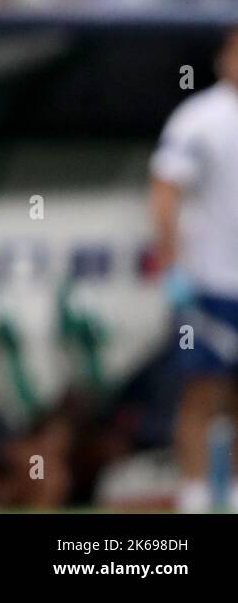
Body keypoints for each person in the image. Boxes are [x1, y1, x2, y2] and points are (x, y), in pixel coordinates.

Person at [149, 29, 238, 512]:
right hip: (209, 284)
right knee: (202, 394)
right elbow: (164, 194)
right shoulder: (200, 118)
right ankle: (196, 494)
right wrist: (171, 267)